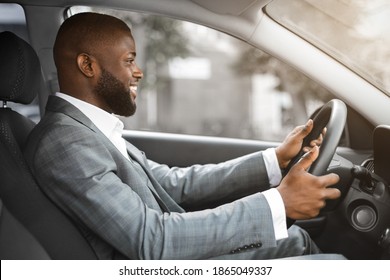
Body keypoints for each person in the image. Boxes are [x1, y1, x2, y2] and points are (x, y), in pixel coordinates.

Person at [24, 12, 343, 260]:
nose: (139, 71)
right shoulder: (65, 143)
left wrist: (274, 159)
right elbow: (151, 240)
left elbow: (173, 184)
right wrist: (279, 203)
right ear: (87, 65)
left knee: (296, 240)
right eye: (129, 60)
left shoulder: (89, 129)